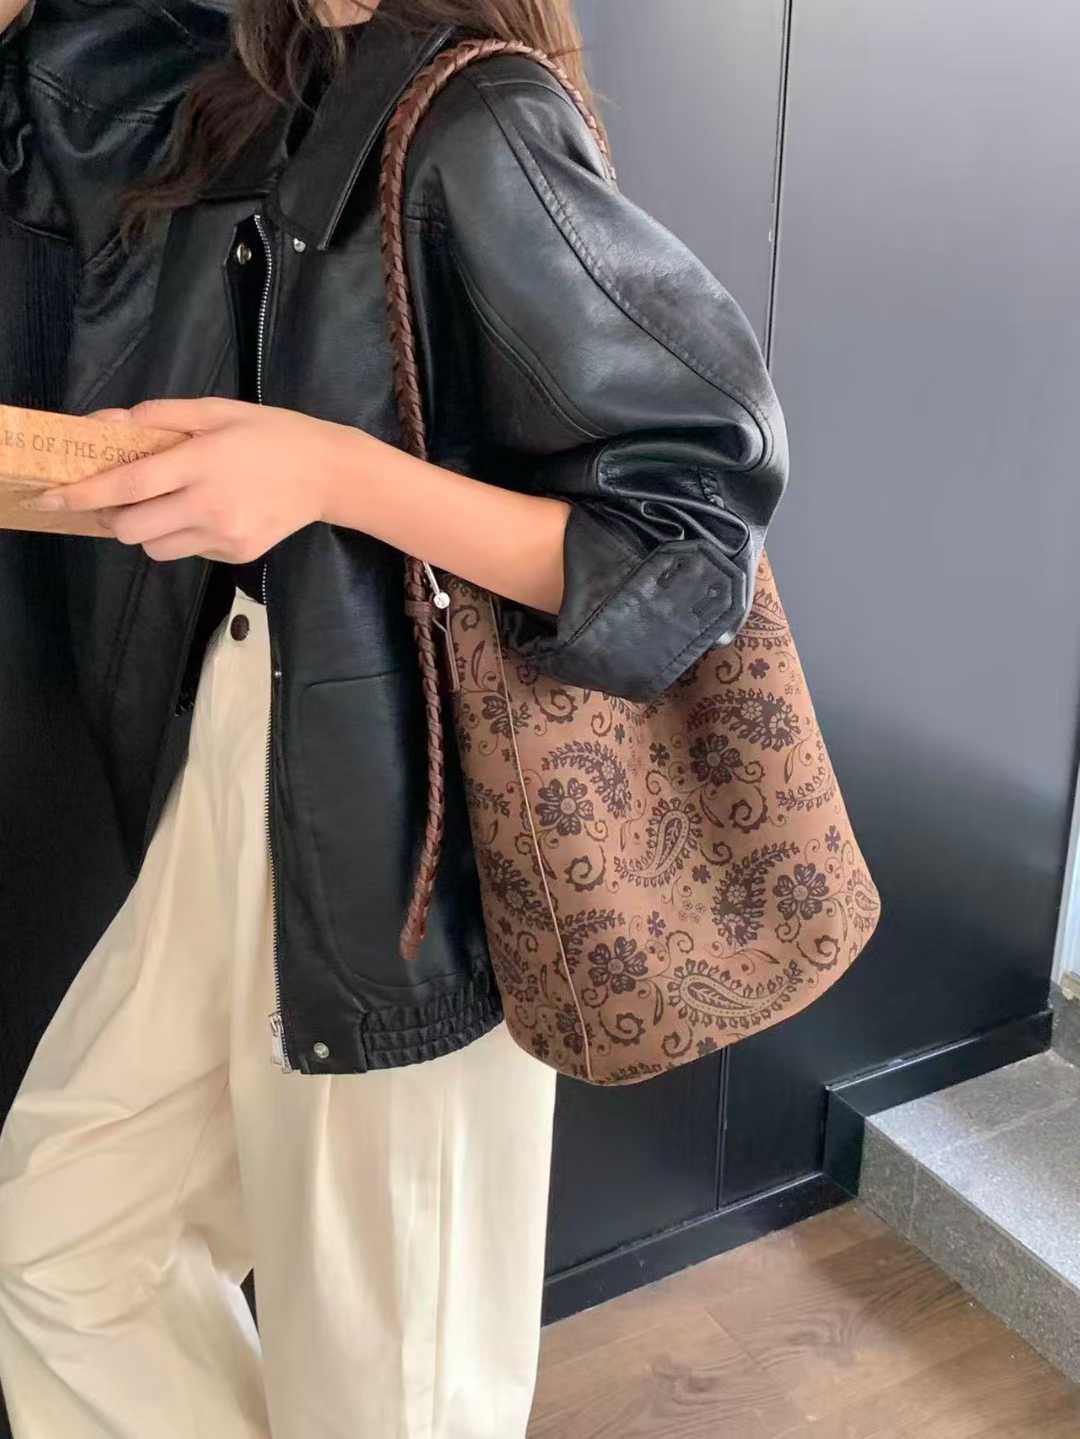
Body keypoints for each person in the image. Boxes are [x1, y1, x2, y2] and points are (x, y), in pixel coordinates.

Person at [0, 0, 789, 1433]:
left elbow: (689, 531)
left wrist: (321, 474)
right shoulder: (270, 94)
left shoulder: (480, 117)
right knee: (62, 1251)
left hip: (407, 837)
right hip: (241, 757)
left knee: (393, 1394)